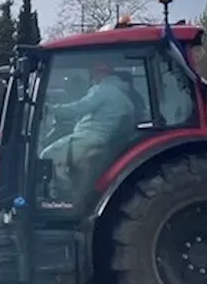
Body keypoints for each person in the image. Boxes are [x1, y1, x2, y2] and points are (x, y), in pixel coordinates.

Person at [39, 59, 136, 199]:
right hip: (103, 139)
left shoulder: (103, 89)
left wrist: (50, 109)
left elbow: (79, 108)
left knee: (47, 155)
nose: (92, 77)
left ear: (99, 74)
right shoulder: (124, 95)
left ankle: (61, 197)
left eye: (93, 73)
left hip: (89, 137)